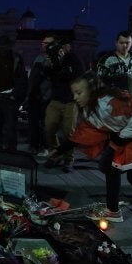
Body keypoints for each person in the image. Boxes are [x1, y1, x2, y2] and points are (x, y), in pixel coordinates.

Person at [49, 71, 132, 241]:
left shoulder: (109, 102)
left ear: (93, 89)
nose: (75, 97)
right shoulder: (93, 107)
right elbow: (84, 132)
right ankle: (113, 210)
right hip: (128, 136)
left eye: (79, 93)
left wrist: (118, 138)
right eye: (73, 93)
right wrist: (60, 150)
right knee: (108, 166)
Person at [42, 40, 85, 172]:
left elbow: (79, 75)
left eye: (59, 51)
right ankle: (56, 155)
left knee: (69, 132)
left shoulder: (73, 58)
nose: (58, 54)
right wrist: (48, 66)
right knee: (49, 128)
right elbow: (46, 75)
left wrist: (62, 67)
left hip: (70, 101)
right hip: (55, 100)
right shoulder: (52, 62)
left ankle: (69, 159)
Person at [0, 35, 27, 154]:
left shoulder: (16, 58)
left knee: (10, 127)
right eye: (1, 47)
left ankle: (11, 150)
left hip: (9, 97)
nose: (2, 49)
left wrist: (14, 95)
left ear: (9, 47)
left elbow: (22, 79)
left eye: (4, 47)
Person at [26, 35, 55, 155]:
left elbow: (53, 80)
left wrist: (46, 96)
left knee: (45, 123)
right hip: (35, 95)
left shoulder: (54, 59)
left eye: (47, 43)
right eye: (42, 43)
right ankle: (34, 145)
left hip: (46, 96)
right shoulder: (39, 57)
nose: (43, 45)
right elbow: (33, 78)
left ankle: (44, 146)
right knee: (33, 123)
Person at [97, 31, 132, 98]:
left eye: (127, 43)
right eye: (121, 43)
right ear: (116, 43)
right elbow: (100, 81)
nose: (124, 45)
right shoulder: (106, 60)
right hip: (112, 99)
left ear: (131, 43)